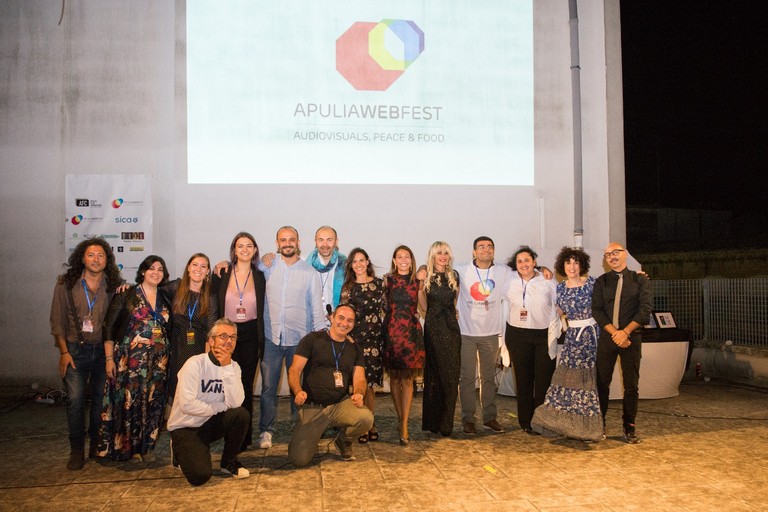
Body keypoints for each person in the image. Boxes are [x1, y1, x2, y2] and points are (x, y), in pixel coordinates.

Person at [50, 238, 122, 470]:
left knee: (101, 402)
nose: (96, 259)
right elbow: (57, 322)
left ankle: (96, 444)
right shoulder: (66, 284)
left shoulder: (113, 286)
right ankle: (77, 449)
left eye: (101, 255)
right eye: (91, 255)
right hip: (74, 351)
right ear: (82, 257)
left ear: (107, 260)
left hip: (103, 352)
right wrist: (63, 352)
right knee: (75, 401)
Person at [257, 226, 326, 449]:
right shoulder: (265, 267)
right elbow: (241, 266)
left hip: (300, 340)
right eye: (283, 240)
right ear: (277, 243)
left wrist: (319, 341)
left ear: (298, 243)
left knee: (299, 388)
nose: (287, 243)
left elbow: (316, 308)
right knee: (269, 388)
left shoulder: (309, 273)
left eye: (291, 239)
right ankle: (266, 431)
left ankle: (300, 429)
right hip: (272, 338)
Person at [98, 255, 171, 461]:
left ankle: (144, 447)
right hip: (130, 363)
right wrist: (109, 359)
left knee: (152, 403)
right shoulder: (127, 294)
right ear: (142, 272)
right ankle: (126, 449)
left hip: (158, 364)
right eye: (151, 269)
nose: (155, 272)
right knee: (130, 404)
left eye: (160, 269)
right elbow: (109, 327)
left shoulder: (165, 297)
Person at [531, 247, 603, 441]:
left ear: (582, 265)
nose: (572, 267)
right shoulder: (560, 288)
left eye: (576, 262)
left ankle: (588, 428)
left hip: (592, 337)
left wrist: (637, 277)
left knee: (589, 381)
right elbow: (555, 310)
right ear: (562, 266)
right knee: (569, 380)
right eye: (568, 263)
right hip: (572, 338)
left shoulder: (593, 283)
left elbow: (611, 293)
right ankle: (567, 425)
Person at [287, 304, 373, 467]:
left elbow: (360, 379)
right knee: (299, 460)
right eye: (341, 318)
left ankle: (343, 440)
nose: (344, 323)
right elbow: (294, 370)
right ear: (331, 318)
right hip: (313, 407)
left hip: (339, 404)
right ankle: (307, 432)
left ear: (353, 324)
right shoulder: (312, 340)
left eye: (350, 320)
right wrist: (297, 391)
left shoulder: (354, 348)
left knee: (366, 418)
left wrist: (359, 394)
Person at [168, 318, 251, 485]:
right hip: (187, 426)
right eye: (223, 336)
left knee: (241, 415)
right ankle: (177, 449)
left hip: (209, 423)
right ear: (211, 341)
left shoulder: (233, 367)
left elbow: (236, 403)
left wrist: (226, 368)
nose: (228, 341)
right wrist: (219, 406)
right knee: (200, 477)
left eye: (233, 337)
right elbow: (187, 405)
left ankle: (228, 462)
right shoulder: (194, 364)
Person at [592, 242, 652, 443]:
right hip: (608, 338)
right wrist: (615, 333)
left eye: (615, 252)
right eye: (607, 254)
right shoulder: (601, 282)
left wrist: (625, 333)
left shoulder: (639, 280)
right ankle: (600, 425)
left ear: (625, 254)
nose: (612, 256)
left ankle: (629, 426)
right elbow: (597, 311)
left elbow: (644, 311)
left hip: (631, 339)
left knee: (631, 384)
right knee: (601, 383)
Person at [212, 232, 265, 451]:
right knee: (226, 384)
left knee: (244, 386)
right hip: (227, 334)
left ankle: (243, 438)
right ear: (234, 250)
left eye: (249, 246)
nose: (244, 249)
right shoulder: (221, 273)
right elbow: (213, 305)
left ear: (254, 250)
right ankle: (224, 432)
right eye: (240, 246)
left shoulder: (261, 276)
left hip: (251, 333)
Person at [454, 236, 512, 435]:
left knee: (489, 379)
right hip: (466, 333)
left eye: (489, 247)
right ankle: (468, 419)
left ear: (493, 251)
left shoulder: (503, 271)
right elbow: (441, 272)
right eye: (481, 247)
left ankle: (490, 418)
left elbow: (525, 273)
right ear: (474, 251)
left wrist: (542, 271)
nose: (485, 250)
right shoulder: (462, 270)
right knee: (467, 378)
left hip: (491, 334)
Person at [502, 245, 557, 434]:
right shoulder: (509, 279)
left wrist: (544, 269)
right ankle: (525, 421)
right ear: (515, 265)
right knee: (523, 381)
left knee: (543, 381)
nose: (523, 264)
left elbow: (559, 303)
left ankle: (540, 420)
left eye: (527, 260)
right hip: (517, 335)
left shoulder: (547, 279)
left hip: (543, 336)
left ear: (535, 262)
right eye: (519, 261)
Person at [340, 248, 387, 443]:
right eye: (354, 261)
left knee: (370, 387)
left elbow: (388, 309)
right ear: (351, 265)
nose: (358, 264)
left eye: (362, 260)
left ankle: (370, 423)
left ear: (368, 262)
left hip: (375, 341)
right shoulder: (348, 288)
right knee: (357, 385)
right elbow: (343, 315)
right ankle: (360, 424)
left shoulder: (379, 285)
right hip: (355, 342)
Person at [418, 242, 462, 437]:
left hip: (451, 329)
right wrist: (431, 316)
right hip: (433, 330)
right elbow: (423, 304)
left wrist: (453, 314)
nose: (443, 256)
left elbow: (454, 302)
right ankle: (432, 422)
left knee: (451, 376)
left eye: (445, 253)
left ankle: (446, 424)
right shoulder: (425, 276)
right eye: (439, 253)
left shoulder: (455, 276)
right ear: (433, 256)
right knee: (434, 376)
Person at [383, 245, 425, 445]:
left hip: (410, 332)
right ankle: (400, 418)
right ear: (394, 260)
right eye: (399, 256)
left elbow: (423, 307)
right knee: (394, 378)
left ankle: (405, 424)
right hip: (391, 332)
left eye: (407, 256)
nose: (403, 259)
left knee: (407, 379)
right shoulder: (387, 281)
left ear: (411, 259)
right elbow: (382, 306)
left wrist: (424, 282)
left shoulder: (417, 281)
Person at [165, 253, 218, 399]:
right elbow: (151, 289)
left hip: (199, 346)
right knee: (176, 387)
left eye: (203, 266)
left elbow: (211, 330)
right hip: (177, 344)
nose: (198, 269)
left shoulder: (210, 295)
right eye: (195, 265)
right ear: (188, 268)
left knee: (195, 388)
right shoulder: (175, 287)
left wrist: (208, 360)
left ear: (207, 271)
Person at [307, 226, 346, 313]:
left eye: (329, 240)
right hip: (312, 319)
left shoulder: (345, 265)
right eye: (321, 240)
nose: (325, 245)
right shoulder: (306, 266)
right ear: (315, 242)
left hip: (338, 319)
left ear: (336, 242)